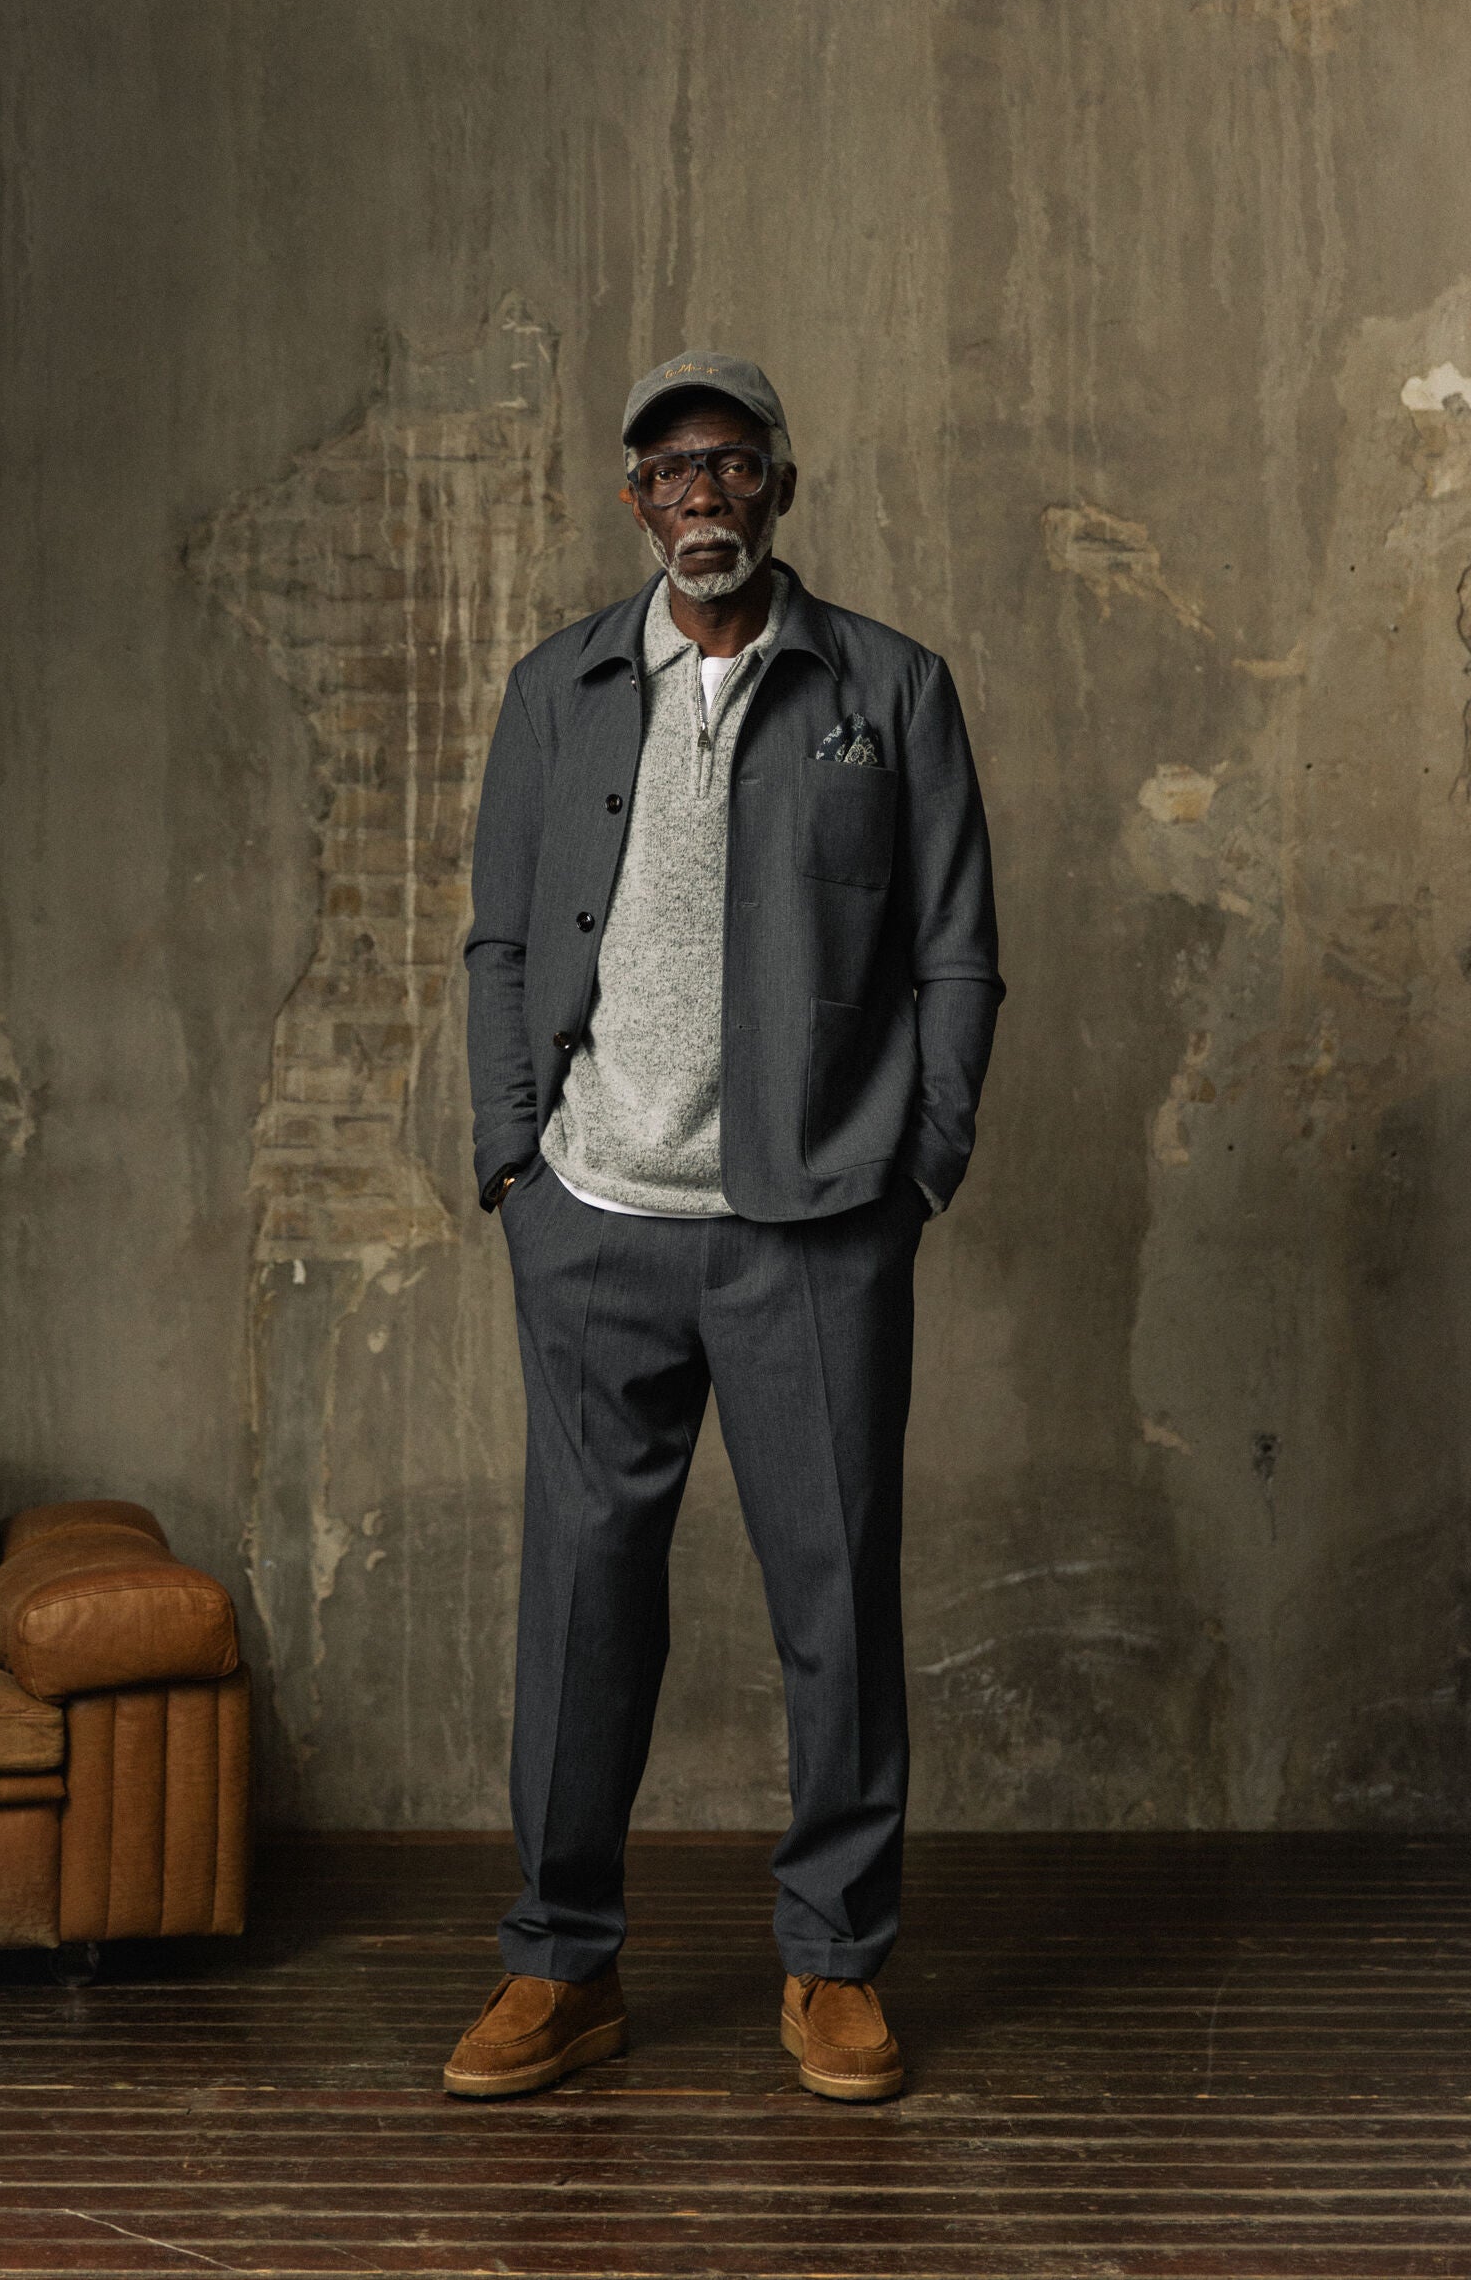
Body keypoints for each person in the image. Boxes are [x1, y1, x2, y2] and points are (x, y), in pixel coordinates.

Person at [446, 351, 1003, 2102]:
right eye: (670, 469)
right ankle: (560, 1963)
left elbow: (957, 951)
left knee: (835, 1599)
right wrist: (514, 1164)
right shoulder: (556, 690)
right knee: (582, 1605)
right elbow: (500, 943)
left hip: (814, 1230)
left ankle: (833, 1963)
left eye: (732, 463)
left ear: (779, 485)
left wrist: (916, 1167)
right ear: (635, 501)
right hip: (594, 1220)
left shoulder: (890, 688)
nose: (702, 494)